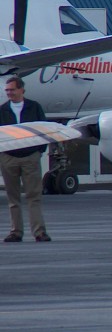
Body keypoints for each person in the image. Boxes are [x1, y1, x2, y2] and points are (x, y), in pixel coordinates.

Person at [0, 76, 51, 242]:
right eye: (7, 90)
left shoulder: (34, 107)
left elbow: (44, 129)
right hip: (9, 157)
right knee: (13, 197)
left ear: (21, 90)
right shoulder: (2, 110)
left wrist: (38, 151)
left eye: (12, 89)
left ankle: (39, 232)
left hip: (30, 157)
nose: (9, 93)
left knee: (33, 196)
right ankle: (16, 232)